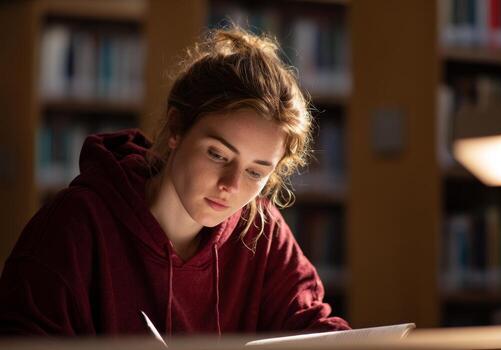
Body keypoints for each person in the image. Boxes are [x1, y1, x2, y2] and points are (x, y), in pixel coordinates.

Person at [0, 27, 349, 336]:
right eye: (217, 154)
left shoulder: (262, 230)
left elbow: (312, 328)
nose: (231, 184)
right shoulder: (74, 224)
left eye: (256, 172)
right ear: (177, 129)